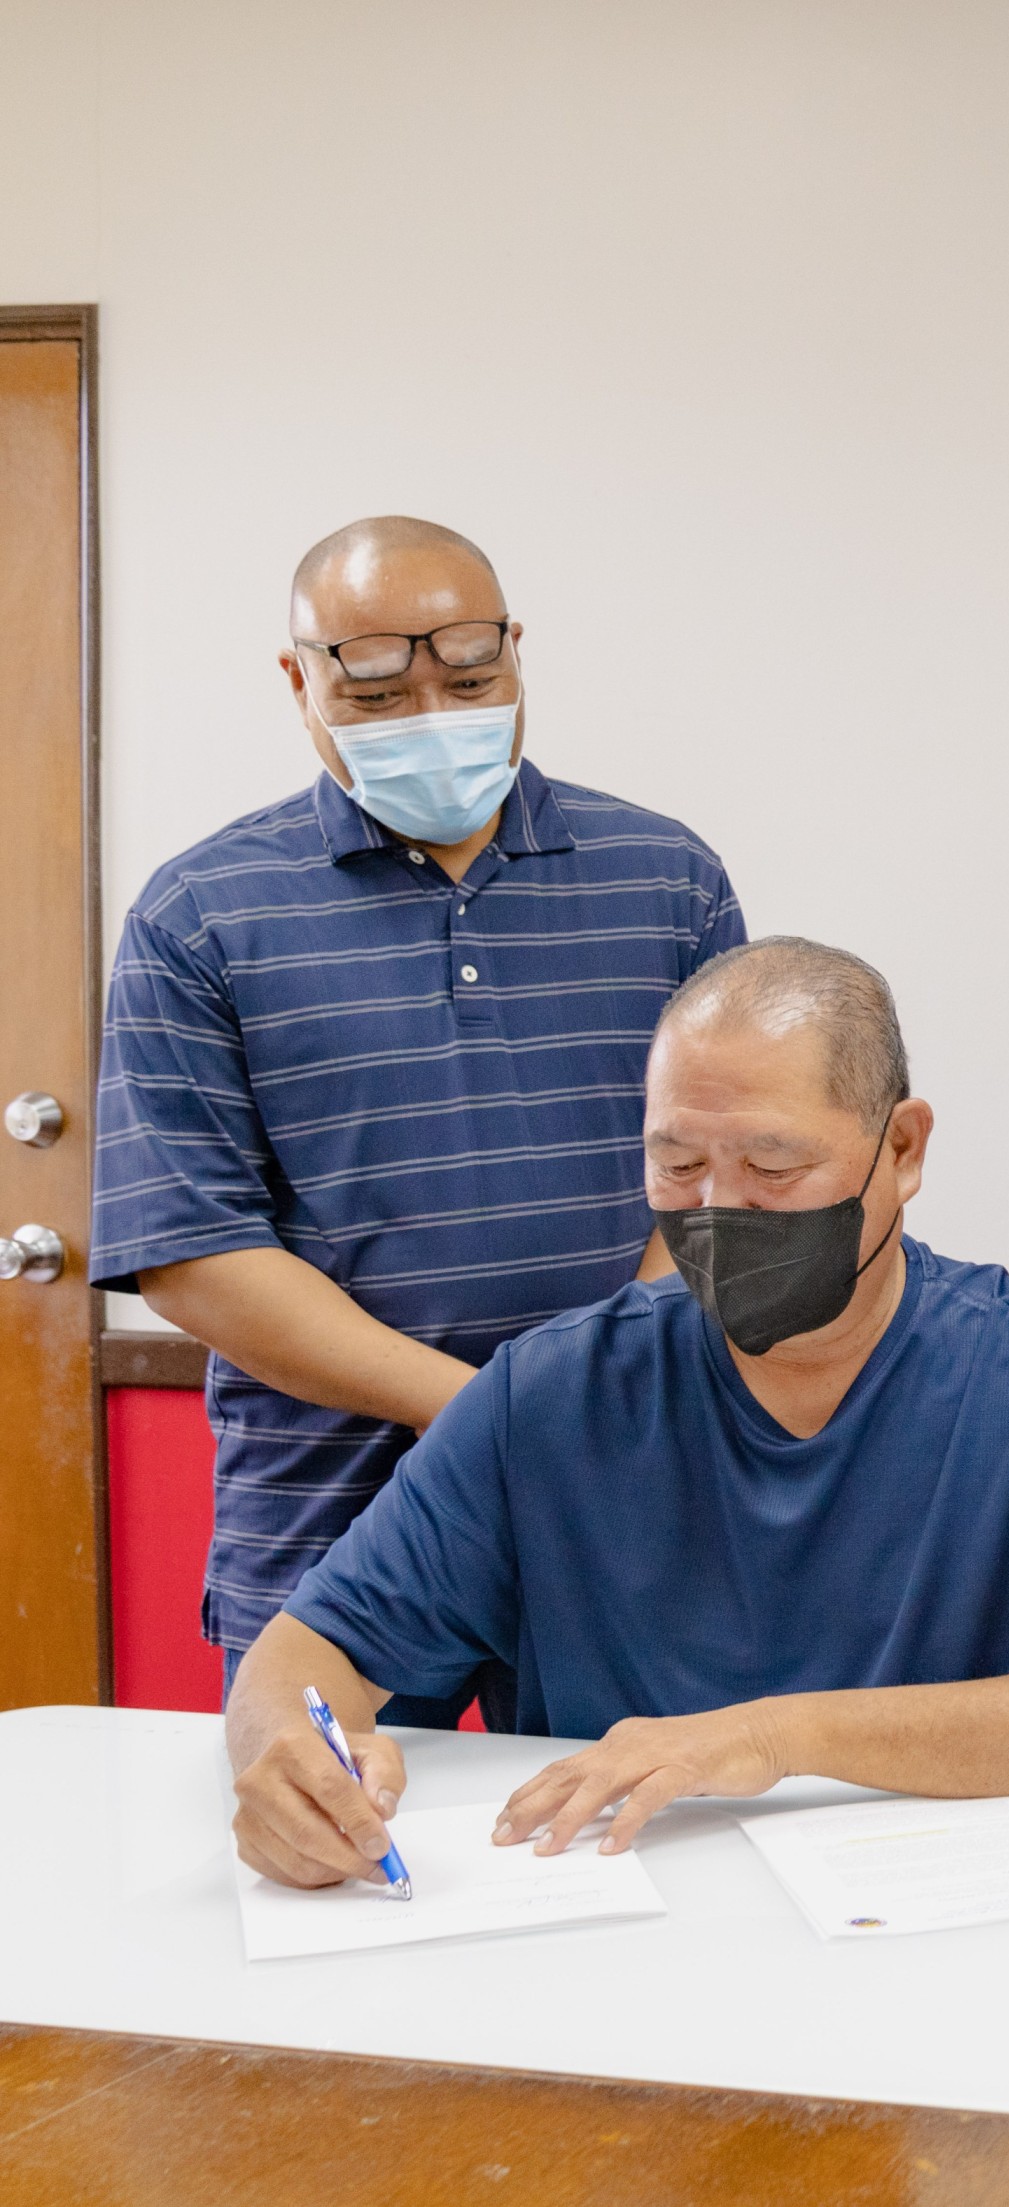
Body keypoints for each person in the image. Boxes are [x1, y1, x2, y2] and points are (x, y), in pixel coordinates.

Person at [223, 939, 1009, 1890]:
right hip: (619, 1905)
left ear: (903, 1149)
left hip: (936, 1908)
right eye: (678, 1164)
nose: (719, 1209)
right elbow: (308, 1654)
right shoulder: (550, 1392)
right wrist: (290, 1765)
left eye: (774, 1168)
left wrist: (769, 1737)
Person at [95, 516, 742, 1725]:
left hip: (619, 1476)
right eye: (380, 686)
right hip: (328, 1507)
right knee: (336, 1855)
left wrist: (592, 1392)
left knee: (640, 1840)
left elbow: (727, 1190)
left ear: (516, 651)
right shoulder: (200, 916)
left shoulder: (669, 882)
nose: (434, 710)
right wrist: (488, 1409)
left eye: (471, 674)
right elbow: (191, 1249)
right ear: (300, 680)